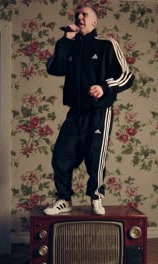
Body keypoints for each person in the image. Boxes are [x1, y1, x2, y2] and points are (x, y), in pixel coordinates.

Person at [44, 4, 135, 215]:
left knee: (95, 156)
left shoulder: (107, 44)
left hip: (99, 112)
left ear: (94, 21)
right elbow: (54, 68)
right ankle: (64, 199)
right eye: (77, 15)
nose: (79, 17)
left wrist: (104, 87)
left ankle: (95, 198)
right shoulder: (70, 45)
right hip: (75, 112)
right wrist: (66, 40)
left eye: (85, 14)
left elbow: (127, 76)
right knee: (61, 155)